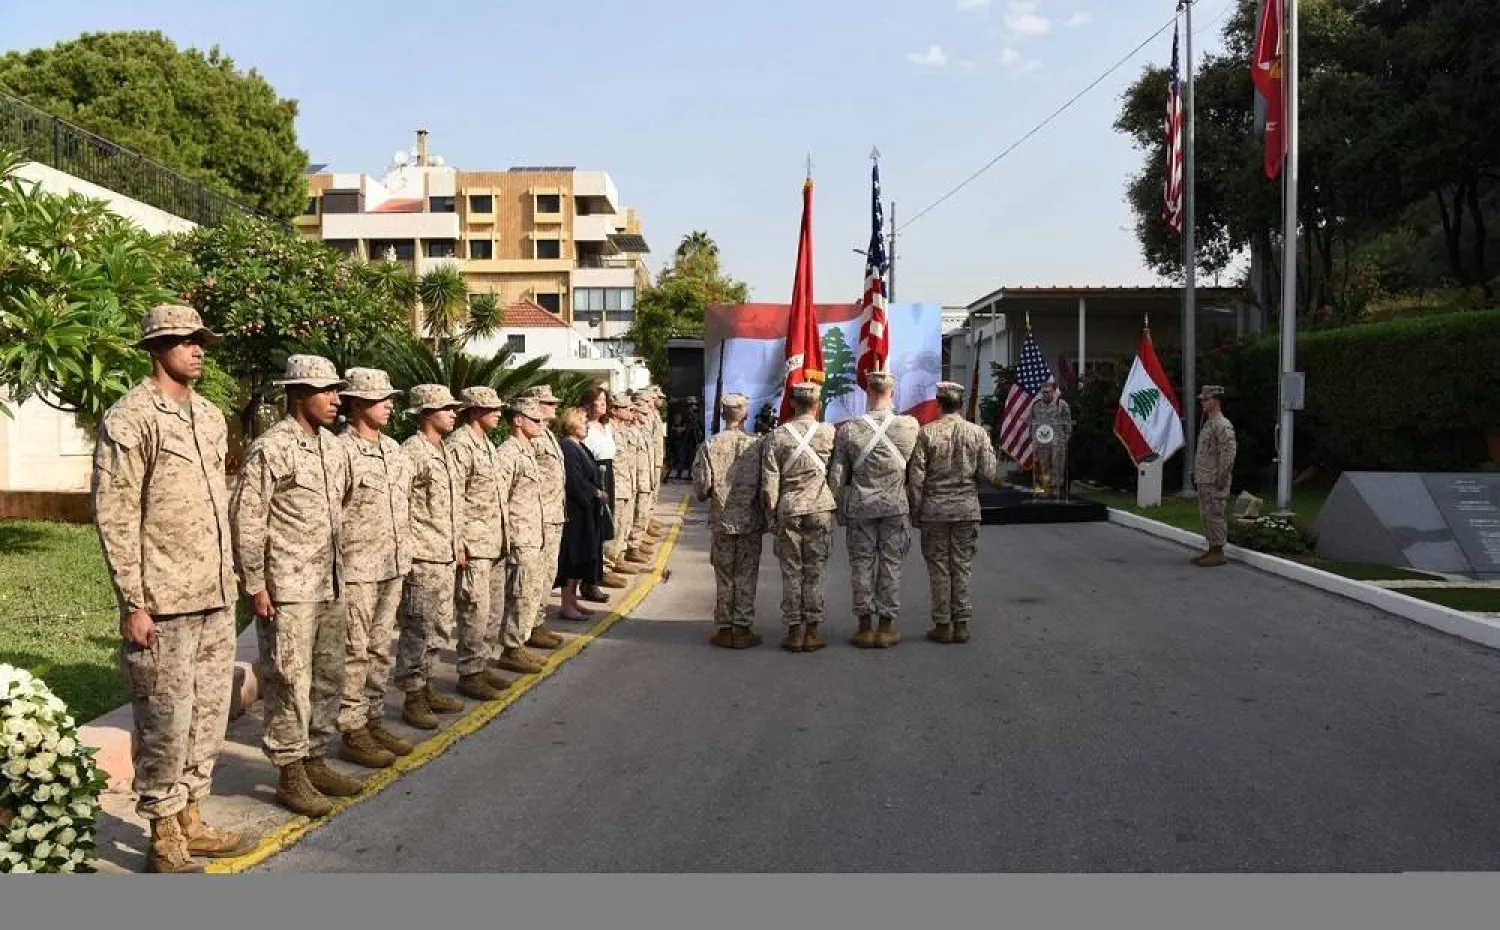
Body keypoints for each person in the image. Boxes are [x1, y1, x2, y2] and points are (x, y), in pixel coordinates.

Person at [91, 303, 251, 873]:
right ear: (157, 347)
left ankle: (192, 817)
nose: (198, 348)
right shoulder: (131, 418)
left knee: (207, 716)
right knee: (164, 717)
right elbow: (115, 514)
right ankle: (162, 831)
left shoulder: (208, 415)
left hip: (213, 594)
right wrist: (132, 603)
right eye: (185, 340)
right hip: (162, 600)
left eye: (201, 339)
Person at [230, 355, 363, 817]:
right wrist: (255, 584)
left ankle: (315, 757)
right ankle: (290, 772)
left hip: (328, 581)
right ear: (298, 394)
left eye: (336, 390)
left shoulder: (333, 446)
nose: (335, 399)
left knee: (329, 674)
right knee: (288, 678)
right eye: (325, 391)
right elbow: (247, 517)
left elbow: (342, 503)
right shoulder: (273, 447)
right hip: (287, 586)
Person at [334, 368, 415, 772]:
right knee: (355, 651)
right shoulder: (340, 452)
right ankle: (351, 729)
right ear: (358, 403)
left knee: (381, 648)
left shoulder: (396, 451)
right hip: (356, 569)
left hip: (391, 565)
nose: (389, 405)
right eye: (381, 399)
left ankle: (373, 717)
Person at [391, 384, 469, 730]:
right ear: (425, 413)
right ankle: (412, 696)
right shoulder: (413, 452)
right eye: (445, 408)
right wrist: (406, 555)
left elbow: (452, 505)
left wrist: (458, 543)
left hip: (444, 554)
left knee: (438, 628)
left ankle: (427, 686)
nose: (453, 413)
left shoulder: (444, 451)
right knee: (416, 630)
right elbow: (399, 506)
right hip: (422, 557)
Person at [827, 371, 920, 649]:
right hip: (895, 506)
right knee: (891, 565)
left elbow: (837, 476)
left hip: (860, 507)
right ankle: (887, 626)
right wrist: (915, 506)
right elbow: (917, 472)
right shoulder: (909, 426)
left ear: (867, 390)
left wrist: (836, 509)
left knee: (861, 566)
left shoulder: (850, 430)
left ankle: (865, 627)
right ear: (892, 392)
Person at [907, 381, 1000, 645]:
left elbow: (916, 479)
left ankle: (942, 625)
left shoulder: (926, 434)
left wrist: (916, 510)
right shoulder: (978, 433)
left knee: (938, 568)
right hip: (966, 509)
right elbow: (989, 474)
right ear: (960, 404)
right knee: (962, 567)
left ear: (939, 403)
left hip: (935, 511)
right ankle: (962, 624)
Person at [444, 386, 511, 702]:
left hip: (494, 540)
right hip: (474, 542)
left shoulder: (486, 444)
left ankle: (481, 664)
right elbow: (455, 497)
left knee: (492, 608)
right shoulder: (460, 445)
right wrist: (458, 542)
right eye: (491, 408)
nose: (499, 413)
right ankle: (469, 672)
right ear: (473, 411)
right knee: (474, 608)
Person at [761, 381, 838, 652]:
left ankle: (794, 632)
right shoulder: (828, 433)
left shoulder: (777, 436)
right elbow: (836, 475)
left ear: (792, 403)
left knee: (791, 572)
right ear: (817, 404)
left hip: (789, 509)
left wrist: (770, 516)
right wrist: (833, 501)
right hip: (819, 508)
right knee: (815, 572)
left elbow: (770, 483)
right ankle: (813, 631)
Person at [692, 393, 766, 648]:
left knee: (724, 575)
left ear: (723, 415)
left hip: (722, 520)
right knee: (746, 574)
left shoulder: (710, 445)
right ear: (745, 415)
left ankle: (725, 629)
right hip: (750, 520)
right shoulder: (758, 445)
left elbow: (702, 488)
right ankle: (743, 628)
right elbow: (768, 485)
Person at [494, 397, 551, 674]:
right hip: (520, 536)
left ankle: (519, 644)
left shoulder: (528, 451)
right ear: (518, 420)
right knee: (519, 593)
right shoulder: (507, 453)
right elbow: (500, 499)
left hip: (534, 533)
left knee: (529, 592)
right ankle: (511, 648)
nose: (540, 424)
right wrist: (507, 538)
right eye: (534, 419)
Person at [516, 384, 567, 651]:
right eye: (548, 402)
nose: (554, 406)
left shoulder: (546, 435)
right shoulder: (531, 438)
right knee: (532, 580)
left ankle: (537, 622)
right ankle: (526, 629)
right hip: (538, 518)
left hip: (552, 514)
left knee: (547, 575)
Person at [557, 406, 608, 620]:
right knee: (572, 556)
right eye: (583, 422)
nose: (587, 426)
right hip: (575, 512)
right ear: (572, 424)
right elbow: (575, 481)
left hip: (586, 511)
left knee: (582, 556)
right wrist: (594, 492)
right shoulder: (568, 448)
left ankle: (573, 600)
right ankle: (566, 604)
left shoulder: (580, 446)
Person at [578, 383, 623, 594]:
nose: (604, 405)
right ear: (589, 404)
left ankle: (597, 575)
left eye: (606, 401)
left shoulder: (606, 426)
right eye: (600, 402)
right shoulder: (584, 426)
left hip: (608, 471)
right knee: (594, 527)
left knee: (604, 525)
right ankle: (590, 580)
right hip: (596, 471)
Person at [1191, 384, 1237, 568]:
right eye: (1202, 399)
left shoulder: (1222, 424)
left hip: (1214, 479)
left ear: (1216, 401)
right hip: (1205, 477)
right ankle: (1212, 548)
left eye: (1206, 399)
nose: (1202, 402)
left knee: (1215, 513)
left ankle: (1218, 552)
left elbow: (1228, 453)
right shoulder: (1209, 423)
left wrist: (1221, 476)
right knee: (1207, 514)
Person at [604, 392, 645, 575]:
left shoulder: (622, 430)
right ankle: (606, 567)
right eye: (626, 408)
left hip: (627, 484)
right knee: (614, 527)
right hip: (616, 487)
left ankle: (618, 558)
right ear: (613, 410)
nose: (631, 411)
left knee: (623, 525)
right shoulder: (608, 430)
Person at [1027, 381, 1073, 498]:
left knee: (1057, 464)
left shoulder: (1061, 405)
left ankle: (1057, 488)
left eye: (1048, 392)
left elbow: (1068, 423)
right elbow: (1031, 422)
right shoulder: (1035, 405)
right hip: (1042, 440)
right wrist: (1033, 438)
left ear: (1053, 392)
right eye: (1044, 392)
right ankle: (1045, 488)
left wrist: (1066, 438)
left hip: (1057, 440)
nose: (1046, 394)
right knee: (1043, 464)